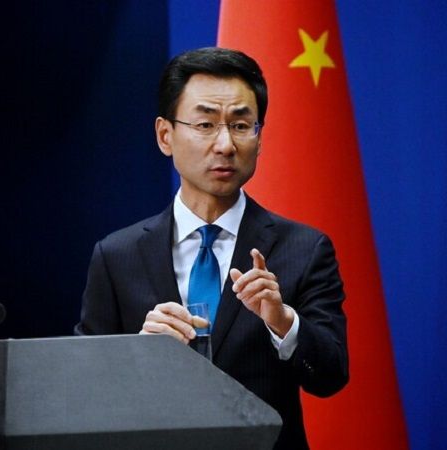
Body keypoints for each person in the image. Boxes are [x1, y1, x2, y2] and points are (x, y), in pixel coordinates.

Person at [75, 47, 348, 449]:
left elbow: (330, 376)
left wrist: (283, 322)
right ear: (165, 136)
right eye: (205, 124)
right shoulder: (117, 255)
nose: (225, 144)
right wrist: (137, 354)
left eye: (241, 125)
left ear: (259, 137)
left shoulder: (304, 249)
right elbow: (83, 391)